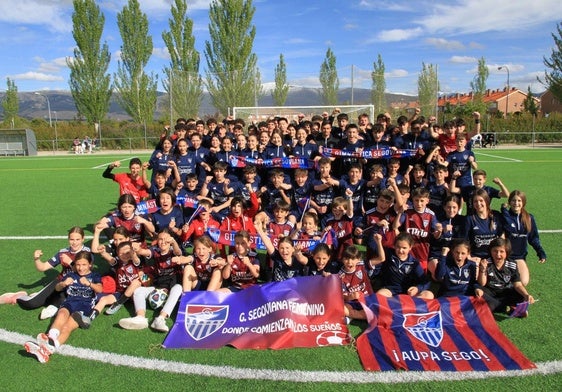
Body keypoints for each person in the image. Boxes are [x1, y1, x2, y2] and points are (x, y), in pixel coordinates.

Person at [24, 251, 102, 363]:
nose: (80, 268)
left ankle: (47, 349)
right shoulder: (71, 275)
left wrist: (89, 284)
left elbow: (100, 289)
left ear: (90, 264)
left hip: (84, 306)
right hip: (69, 302)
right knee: (61, 314)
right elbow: (57, 288)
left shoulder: (95, 276)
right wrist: (63, 284)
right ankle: (49, 341)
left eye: (84, 265)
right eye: (78, 264)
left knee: (67, 327)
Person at [119, 229, 183, 332]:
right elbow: (144, 252)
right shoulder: (155, 251)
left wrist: (174, 242)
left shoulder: (173, 250)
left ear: (170, 240)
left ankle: (160, 319)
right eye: (160, 239)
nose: (163, 242)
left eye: (166, 239)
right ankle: (140, 318)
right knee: (138, 291)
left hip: (172, 287)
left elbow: (178, 252)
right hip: (158, 286)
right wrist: (137, 249)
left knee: (178, 288)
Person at [17, 227, 91, 316]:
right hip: (60, 282)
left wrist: (70, 262)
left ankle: (53, 304)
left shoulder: (86, 252)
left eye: (77, 239)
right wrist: (37, 259)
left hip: (78, 285)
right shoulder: (63, 252)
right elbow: (43, 267)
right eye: (72, 239)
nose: (74, 242)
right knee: (32, 303)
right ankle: (19, 296)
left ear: (83, 239)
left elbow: (83, 272)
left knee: (67, 304)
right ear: (68, 239)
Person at [476, 238, 535, 317]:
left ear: (507, 252)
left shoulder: (512, 264)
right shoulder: (486, 262)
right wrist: (482, 270)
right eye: (495, 251)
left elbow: (517, 284)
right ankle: (506, 307)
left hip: (504, 292)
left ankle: (506, 307)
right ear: (490, 251)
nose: (498, 254)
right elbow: (482, 283)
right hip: (490, 292)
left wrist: (526, 295)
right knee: (479, 293)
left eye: (501, 251)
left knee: (521, 295)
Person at [500, 190, 547, 286]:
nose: (516, 203)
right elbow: (507, 226)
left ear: (523, 202)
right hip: (505, 256)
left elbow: (533, 238)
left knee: (523, 281)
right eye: (513, 200)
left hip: (519, 257)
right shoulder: (504, 217)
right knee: (502, 281)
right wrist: (504, 211)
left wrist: (540, 252)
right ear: (509, 202)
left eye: (519, 201)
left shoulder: (529, 218)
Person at [376, 232, 434, 299]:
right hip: (390, 291)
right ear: (394, 245)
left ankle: (412, 308)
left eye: (404, 248)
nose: (400, 250)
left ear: (410, 247)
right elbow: (368, 247)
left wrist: (417, 288)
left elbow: (426, 281)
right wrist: (378, 241)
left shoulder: (414, 263)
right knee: (379, 295)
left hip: (408, 294)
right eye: (398, 247)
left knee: (429, 295)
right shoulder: (388, 254)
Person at [464, 189, 504, 262]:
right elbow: (464, 241)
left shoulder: (496, 215)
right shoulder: (469, 219)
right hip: (476, 257)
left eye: (481, 201)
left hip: (493, 257)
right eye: (475, 201)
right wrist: (469, 257)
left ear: (486, 201)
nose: (478, 204)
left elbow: (502, 236)